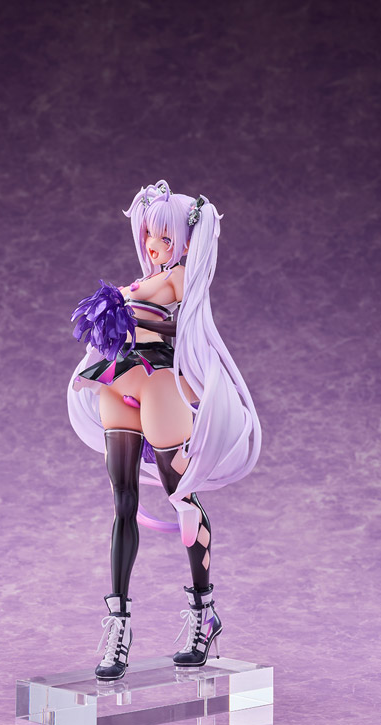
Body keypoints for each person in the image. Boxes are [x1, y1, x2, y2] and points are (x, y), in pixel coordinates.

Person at [68, 180, 261, 680]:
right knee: (123, 502)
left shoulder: (181, 279)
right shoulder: (150, 276)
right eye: (150, 238)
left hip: (159, 382)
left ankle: (204, 612)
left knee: (181, 498)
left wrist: (126, 309)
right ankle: (118, 628)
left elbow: (177, 320)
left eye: (166, 239)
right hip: (118, 380)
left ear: (187, 243)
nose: (154, 247)